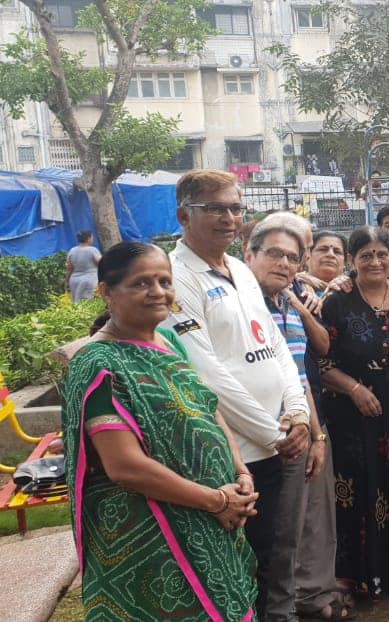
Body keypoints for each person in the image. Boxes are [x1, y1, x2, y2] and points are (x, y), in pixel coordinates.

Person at [62, 242, 258, 621]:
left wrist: (240, 472)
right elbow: (125, 467)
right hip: (150, 536)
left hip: (213, 515)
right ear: (106, 292)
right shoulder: (98, 364)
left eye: (165, 281)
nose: (158, 292)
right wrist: (216, 501)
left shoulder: (168, 344)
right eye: (141, 283)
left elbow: (207, 410)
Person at [164, 170, 312, 620]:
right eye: (215, 208)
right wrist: (274, 432)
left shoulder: (243, 271)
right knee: (237, 564)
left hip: (282, 441)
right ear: (183, 215)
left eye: (235, 208)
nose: (229, 218)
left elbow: (276, 348)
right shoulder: (174, 276)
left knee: (279, 554)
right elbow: (204, 372)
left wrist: (300, 413)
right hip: (235, 453)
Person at [317, 226, 389, 602]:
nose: (375, 261)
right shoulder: (335, 302)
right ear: (352, 260)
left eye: (382, 254)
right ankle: (359, 579)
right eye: (365, 255)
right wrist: (353, 389)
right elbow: (320, 363)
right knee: (359, 491)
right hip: (353, 415)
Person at [245, 214, 351, 621]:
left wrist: (316, 436)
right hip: (259, 437)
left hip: (302, 425)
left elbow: (299, 370)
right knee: (269, 536)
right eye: (275, 254)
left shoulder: (293, 299)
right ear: (248, 253)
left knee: (295, 530)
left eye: (293, 255)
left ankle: (296, 605)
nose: (285, 263)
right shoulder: (245, 305)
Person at [66, 229, 101, 302]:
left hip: (75, 280)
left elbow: (69, 268)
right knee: (90, 302)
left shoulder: (72, 250)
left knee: (77, 303)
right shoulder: (92, 250)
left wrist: (67, 281)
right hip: (90, 280)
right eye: (92, 238)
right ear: (88, 239)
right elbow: (101, 263)